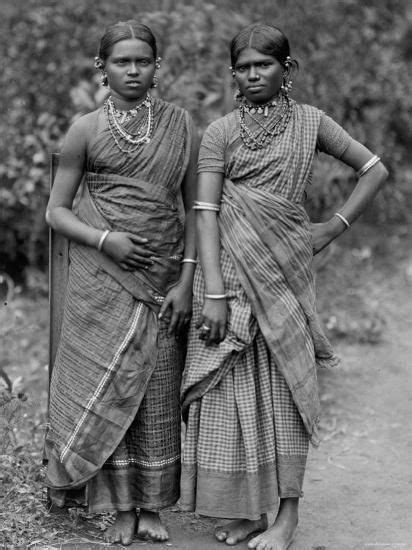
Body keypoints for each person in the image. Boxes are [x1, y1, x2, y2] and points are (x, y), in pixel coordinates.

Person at [180, 23, 388, 550]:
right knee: (229, 390)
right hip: (225, 271)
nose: (254, 74)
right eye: (244, 67)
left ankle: (287, 516)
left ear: (286, 69)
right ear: (233, 75)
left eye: (264, 65)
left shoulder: (313, 123)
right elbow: (204, 212)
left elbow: (374, 169)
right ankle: (249, 511)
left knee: (286, 388)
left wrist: (333, 227)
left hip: (286, 271)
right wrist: (214, 294)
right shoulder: (220, 132)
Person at [44, 20, 197, 546]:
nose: (133, 70)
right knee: (108, 385)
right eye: (121, 61)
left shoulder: (180, 126)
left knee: (155, 386)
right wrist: (105, 239)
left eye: (143, 61)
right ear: (101, 67)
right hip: (101, 277)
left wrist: (186, 280)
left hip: (163, 278)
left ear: (158, 66)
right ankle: (118, 507)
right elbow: (56, 212)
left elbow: (196, 208)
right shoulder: (84, 129)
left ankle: (152, 506)